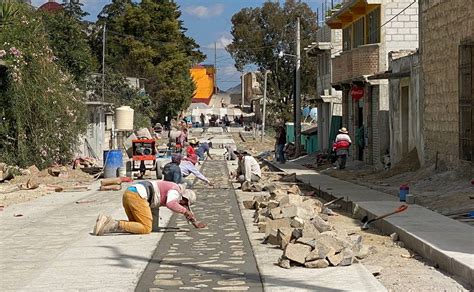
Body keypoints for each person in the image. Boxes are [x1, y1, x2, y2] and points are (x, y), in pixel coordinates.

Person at [92, 180, 206, 235]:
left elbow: (157, 204)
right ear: (184, 198)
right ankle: (112, 223)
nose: (182, 205)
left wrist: (194, 221)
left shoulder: (170, 191)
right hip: (138, 196)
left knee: (137, 226)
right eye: (184, 204)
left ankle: (104, 223)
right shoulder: (175, 190)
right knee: (146, 228)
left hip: (130, 193)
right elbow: (171, 204)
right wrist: (185, 211)